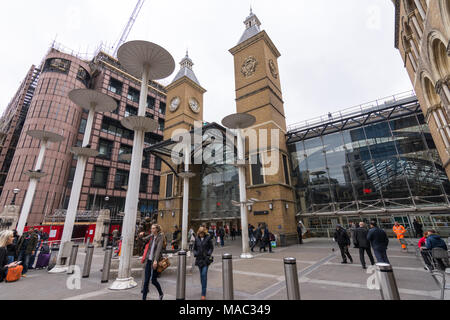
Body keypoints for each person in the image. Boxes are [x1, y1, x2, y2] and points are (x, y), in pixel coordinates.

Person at [140, 224, 164, 300]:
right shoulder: (151, 236)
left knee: (153, 280)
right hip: (149, 260)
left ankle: (161, 293)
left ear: (157, 229)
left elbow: (158, 250)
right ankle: (143, 298)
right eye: (151, 228)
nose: (152, 230)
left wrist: (156, 261)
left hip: (155, 261)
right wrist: (141, 235)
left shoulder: (160, 237)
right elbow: (144, 239)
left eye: (153, 228)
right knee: (146, 280)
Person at [193, 226, 214, 300]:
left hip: (205, 260)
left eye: (202, 233)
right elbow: (194, 248)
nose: (201, 234)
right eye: (200, 233)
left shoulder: (208, 238)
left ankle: (203, 293)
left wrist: (208, 253)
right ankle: (203, 288)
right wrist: (195, 253)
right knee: (201, 276)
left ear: (204, 232)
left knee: (204, 274)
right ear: (198, 232)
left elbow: (211, 247)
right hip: (199, 259)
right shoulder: (196, 238)